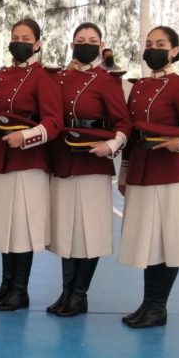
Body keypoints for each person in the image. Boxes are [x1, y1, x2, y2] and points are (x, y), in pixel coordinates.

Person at [118, 26, 179, 328]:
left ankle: (158, 306)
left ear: (174, 51)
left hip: (170, 174)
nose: (153, 49)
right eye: (149, 43)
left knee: (168, 240)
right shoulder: (139, 86)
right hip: (142, 170)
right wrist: (124, 173)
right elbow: (131, 133)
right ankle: (147, 304)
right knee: (150, 241)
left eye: (161, 44)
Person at [0, 18, 62, 311]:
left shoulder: (44, 76)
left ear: (37, 44)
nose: (19, 43)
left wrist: (25, 137)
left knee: (22, 226)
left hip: (28, 161)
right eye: (15, 37)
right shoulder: (0, 75)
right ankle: (6, 284)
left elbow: (53, 122)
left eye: (26, 38)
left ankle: (20, 289)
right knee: (4, 224)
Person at [47, 22, 132, 317]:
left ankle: (79, 294)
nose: (86, 44)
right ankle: (66, 291)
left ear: (101, 45)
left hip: (93, 161)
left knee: (89, 230)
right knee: (66, 228)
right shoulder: (59, 78)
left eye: (92, 40)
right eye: (80, 40)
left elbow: (124, 123)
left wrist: (111, 145)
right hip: (62, 158)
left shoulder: (107, 81)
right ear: (72, 45)